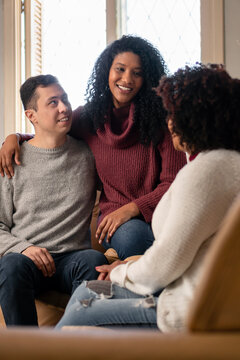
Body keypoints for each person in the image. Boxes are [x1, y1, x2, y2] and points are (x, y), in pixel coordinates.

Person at [55, 64, 240, 331]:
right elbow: (196, 248)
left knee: (83, 308)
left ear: (193, 118)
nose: (169, 121)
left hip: (187, 308)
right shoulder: (225, 163)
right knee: (86, 291)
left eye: (173, 113)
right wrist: (132, 263)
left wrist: (119, 273)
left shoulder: (205, 172)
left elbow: (166, 264)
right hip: (190, 292)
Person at [0, 35, 186, 260]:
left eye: (137, 73)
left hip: (162, 214)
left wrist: (132, 208)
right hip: (118, 225)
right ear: (107, 70)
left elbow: (174, 182)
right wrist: (15, 137)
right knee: (133, 237)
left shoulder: (161, 120)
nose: (127, 79)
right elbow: (50, 130)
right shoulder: (90, 117)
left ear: (147, 78)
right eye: (120, 69)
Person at [0, 74, 108, 326]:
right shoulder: (11, 161)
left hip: (73, 259)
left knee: (95, 262)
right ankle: (25, 351)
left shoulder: (88, 155)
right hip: (27, 258)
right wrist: (23, 248)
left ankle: (77, 344)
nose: (64, 108)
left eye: (65, 99)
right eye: (53, 102)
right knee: (11, 266)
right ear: (32, 116)